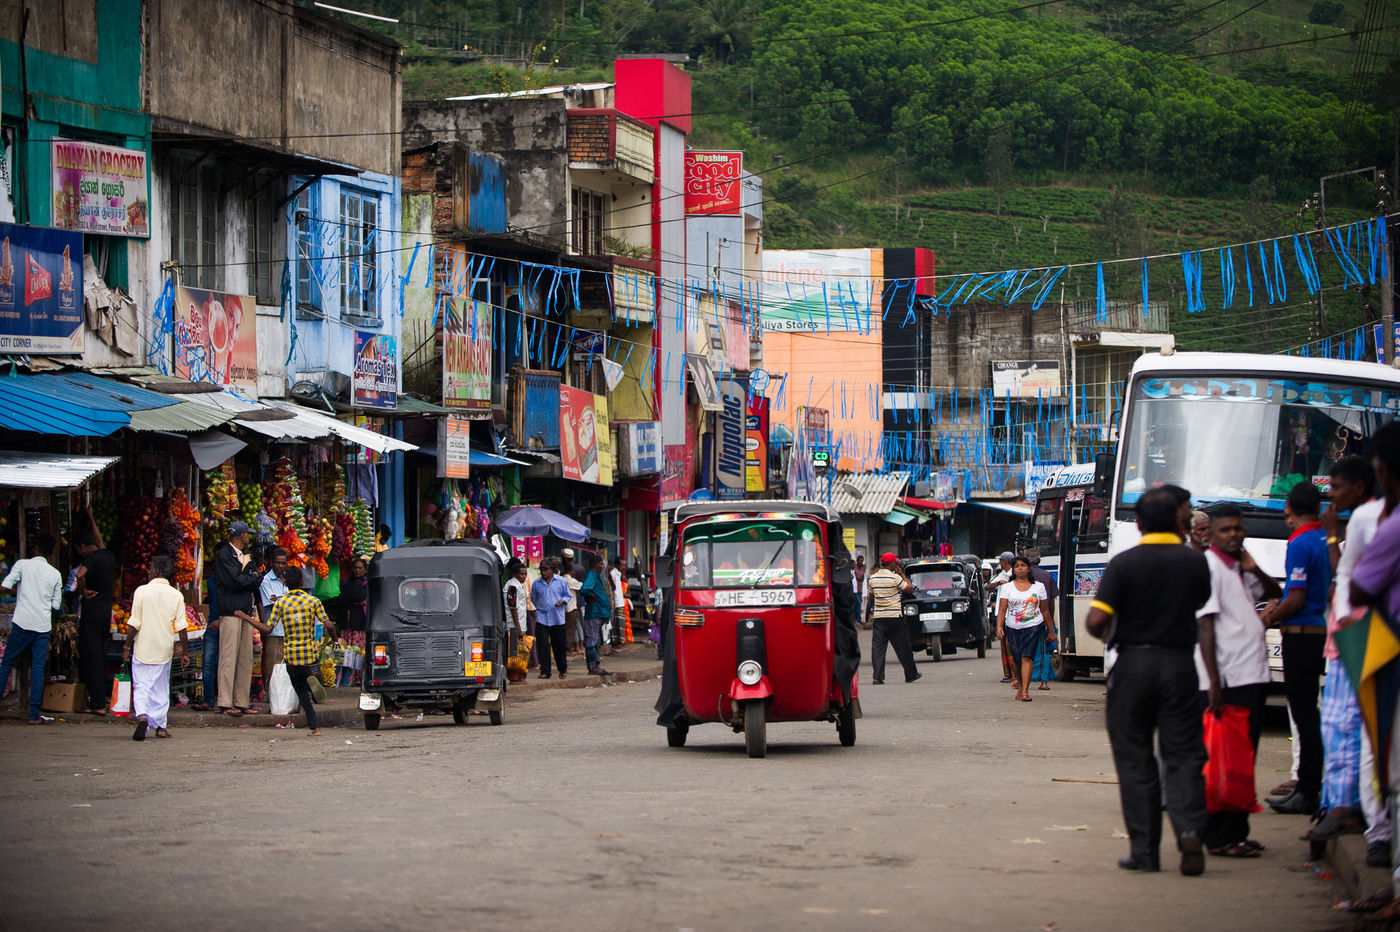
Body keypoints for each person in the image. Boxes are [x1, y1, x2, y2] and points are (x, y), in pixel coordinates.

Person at [1085, 486, 1212, 876]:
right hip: (1178, 666)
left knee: (1135, 760)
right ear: (1180, 520)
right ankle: (1189, 828)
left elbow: (1094, 622)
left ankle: (1145, 853)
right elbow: (1200, 603)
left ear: (1138, 523)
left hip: (1133, 666)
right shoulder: (1194, 563)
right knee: (1184, 755)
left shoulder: (1124, 564)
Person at [1303, 455, 1387, 850]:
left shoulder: (1368, 518)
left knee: (1344, 725)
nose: (1331, 497)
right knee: (1339, 725)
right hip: (1350, 633)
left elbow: (1347, 577)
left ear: (1360, 486)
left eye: (1336, 488)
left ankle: (1346, 809)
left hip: (1356, 634)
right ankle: (1340, 804)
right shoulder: (1369, 517)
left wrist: (1332, 534)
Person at [1194, 504, 1280, 857]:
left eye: (1238, 529)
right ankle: (1219, 837)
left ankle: (1237, 830)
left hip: (1252, 674)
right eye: (1226, 529)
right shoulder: (1210, 568)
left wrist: (1253, 565)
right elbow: (1206, 625)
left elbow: (1275, 593)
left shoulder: (1239, 567)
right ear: (1210, 534)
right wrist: (1214, 682)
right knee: (1225, 761)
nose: (1234, 534)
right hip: (1228, 679)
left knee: (1244, 758)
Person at [1348, 422, 1400, 903]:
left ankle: (1384, 844)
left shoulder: (1386, 523)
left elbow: (1359, 586)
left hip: (1389, 647)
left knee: (1387, 754)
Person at [1262, 481, 1332, 816]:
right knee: (1308, 715)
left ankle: (1308, 790)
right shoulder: (1322, 538)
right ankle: (1308, 786)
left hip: (1301, 634)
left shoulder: (1301, 542)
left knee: (1304, 716)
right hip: (1316, 630)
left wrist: (1268, 618)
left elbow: (1297, 597)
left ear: (1290, 509)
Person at [121, 555, 189, 741]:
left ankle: (142, 715)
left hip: (143, 647)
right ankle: (160, 726)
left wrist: (127, 646)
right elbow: (182, 627)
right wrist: (185, 652)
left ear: (156, 571)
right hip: (163, 648)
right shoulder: (176, 595)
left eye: (150, 569)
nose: (149, 572)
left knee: (141, 685)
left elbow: (134, 623)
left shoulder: (141, 592)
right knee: (160, 688)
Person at [0, 533, 62, 724]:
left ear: (35, 549)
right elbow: (56, 606)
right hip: (42, 626)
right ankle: (34, 715)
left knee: (6, 664)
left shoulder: (22, 565)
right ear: (51, 553)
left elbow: (5, 586)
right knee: (37, 669)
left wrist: (20, 592)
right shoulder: (55, 574)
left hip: (22, 622)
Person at [212, 520, 266, 717]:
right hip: (230, 612)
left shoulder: (246, 556)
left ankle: (241, 701)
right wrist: (250, 579)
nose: (248, 537)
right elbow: (235, 581)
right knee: (228, 658)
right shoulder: (224, 556)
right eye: (247, 534)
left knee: (245, 659)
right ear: (241, 535)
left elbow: (256, 578)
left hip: (245, 612)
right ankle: (225, 702)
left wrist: (249, 579)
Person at [268, 567, 331, 736]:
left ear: (285, 583)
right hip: (310, 654)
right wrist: (334, 638)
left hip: (292, 657)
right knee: (309, 680)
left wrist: (246, 618)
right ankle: (315, 679)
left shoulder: (280, 603)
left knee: (301, 691)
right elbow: (329, 624)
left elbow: (268, 628)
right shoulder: (313, 601)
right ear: (302, 582)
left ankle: (315, 728)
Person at [73, 522, 116, 715]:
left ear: (83, 546)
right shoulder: (107, 555)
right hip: (105, 613)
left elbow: (79, 574)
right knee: (99, 655)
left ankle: (98, 704)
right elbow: (99, 540)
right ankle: (97, 701)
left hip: (91, 614)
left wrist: (82, 590)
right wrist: (90, 518)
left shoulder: (90, 559)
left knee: (92, 658)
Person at [997, 555, 1052, 702]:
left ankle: (1026, 691)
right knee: (1017, 660)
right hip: (1012, 627)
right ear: (1013, 570)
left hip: (1033, 626)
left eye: (1022, 565)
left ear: (1028, 569)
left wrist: (1051, 630)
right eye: (1016, 566)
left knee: (1027, 657)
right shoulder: (1007, 587)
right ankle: (1020, 686)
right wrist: (999, 627)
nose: (1020, 568)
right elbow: (1002, 610)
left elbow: (1045, 610)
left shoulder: (1038, 587)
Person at [864, 553, 921, 685]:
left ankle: (877, 677)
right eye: (895, 563)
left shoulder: (872, 579)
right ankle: (911, 674)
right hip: (894, 617)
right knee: (903, 648)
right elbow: (910, 589)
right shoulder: (895, 577)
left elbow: (871, 598)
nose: (896, 565)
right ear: (890, 564)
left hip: (879, 618)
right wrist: (902, 575)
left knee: (877, 649)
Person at [1022, 549, 1059, 691]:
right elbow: (1051, 602)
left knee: (1025, 650)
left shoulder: (1020, 576)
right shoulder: (1047, 575)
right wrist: (1050, 621)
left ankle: (1022, 681)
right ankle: (1043, 681)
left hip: (1024, 620)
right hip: (1043, 619)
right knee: (1044, 651)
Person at [530, 560, 571, 680]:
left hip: (557, 618)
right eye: (541, 569)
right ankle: (545, 671)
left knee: (558, 646)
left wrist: (562, 601)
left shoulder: (561, 581)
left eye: (546, 569)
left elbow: (567, 595)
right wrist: (542, 606)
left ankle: (562, 669)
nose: (543, 572)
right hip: (542, 618)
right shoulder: (537, 583)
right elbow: (534, 598)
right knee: (543, 645)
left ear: (552, 569)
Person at [258, 547, 289, 700]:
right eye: (278, 563)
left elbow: (280, 603)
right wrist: (287, 602)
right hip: (275, 631)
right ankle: (273, 701)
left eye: (284, 563)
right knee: (273, 669)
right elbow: (273, 604)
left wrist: (280, 600)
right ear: (271, 563)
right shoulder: (266, 581)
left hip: (290, 632)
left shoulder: (289, 581)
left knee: (287, 669)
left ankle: (285, 700)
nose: (281, 566)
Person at [580, 556, 613, 676]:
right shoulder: (592, 576)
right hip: (594, 612)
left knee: (595, 640)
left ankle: (596, 664)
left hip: (599, 612)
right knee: (592, 639)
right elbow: (584, 589)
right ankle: (592, 666)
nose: (602, 566)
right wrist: (591, 595)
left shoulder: (596, 576)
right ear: (596, 565)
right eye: (601, 564)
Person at [988, 552, 1016, 684]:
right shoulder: (1002, 574)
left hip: (1010, 613)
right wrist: (999, 582)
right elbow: (988, 586)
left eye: (1001, 560)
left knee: (1011, 645)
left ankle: (1015, 673)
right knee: (1004, 644)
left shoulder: (1014, 574)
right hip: (1001, 612)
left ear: (1005, 561)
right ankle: (1008, 673)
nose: (1000, 562)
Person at [503, 560, 529, 682]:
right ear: (515, 574)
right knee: (513, 652)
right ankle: (513, 677)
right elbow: (512, 607)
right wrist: (518, 628)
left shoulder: (519, 585)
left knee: (519, 652)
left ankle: (517, 675)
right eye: (521, 574)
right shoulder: (512, 586)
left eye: (525, 574)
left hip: (519, 624)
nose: (524, 576)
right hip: (513, 626)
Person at [608, 556, 627, 653]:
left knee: (620, 623)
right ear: (617, 565)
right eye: (622, 565)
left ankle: (619, 642)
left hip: (620, 601)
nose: (623, 567)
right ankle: (615, 643)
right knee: (615, 623)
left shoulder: (618, 574)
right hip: (616, 602)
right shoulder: (613, 574)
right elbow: (613, 588)